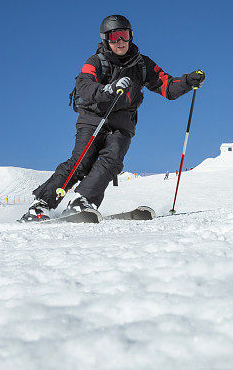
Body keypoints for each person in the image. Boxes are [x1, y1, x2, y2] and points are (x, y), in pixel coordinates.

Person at [20, 14, 204, 221]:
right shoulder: (96, 61)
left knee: (112, 160)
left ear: (131, 36)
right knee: (82, 161)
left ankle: (82, 200)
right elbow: (85, 85)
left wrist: (188, 81)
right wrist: (108, 89)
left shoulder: (142, 65)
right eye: (115, 36)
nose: (120, 42)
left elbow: (167, 87)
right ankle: (41, 204)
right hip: (93, 118)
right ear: (106, 39)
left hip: (123, 124)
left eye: (124, 35)